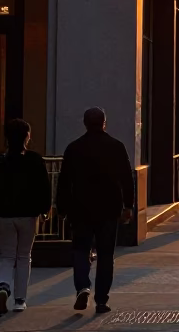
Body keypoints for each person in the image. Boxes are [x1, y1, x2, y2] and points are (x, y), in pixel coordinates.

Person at [57, 108, 134, 315]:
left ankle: (82, 286)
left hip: (80, 208)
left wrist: (61, 207)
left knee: (81, 250)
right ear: (104, 123)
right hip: (109, 209)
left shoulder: (74, 148)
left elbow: (64, 181)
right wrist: (128, 205)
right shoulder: (116, 147)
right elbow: (127, 178)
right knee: (106, 254)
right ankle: (101, 300)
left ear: (84, 123)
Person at [0, 119, 51, 316]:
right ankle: (20, 300)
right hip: (28, 214)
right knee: (24, 256)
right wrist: (45, 209)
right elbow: (44, 188)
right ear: (27, 136)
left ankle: (4, 286)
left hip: (3, 214)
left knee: (6, 255)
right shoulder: (34, 159)